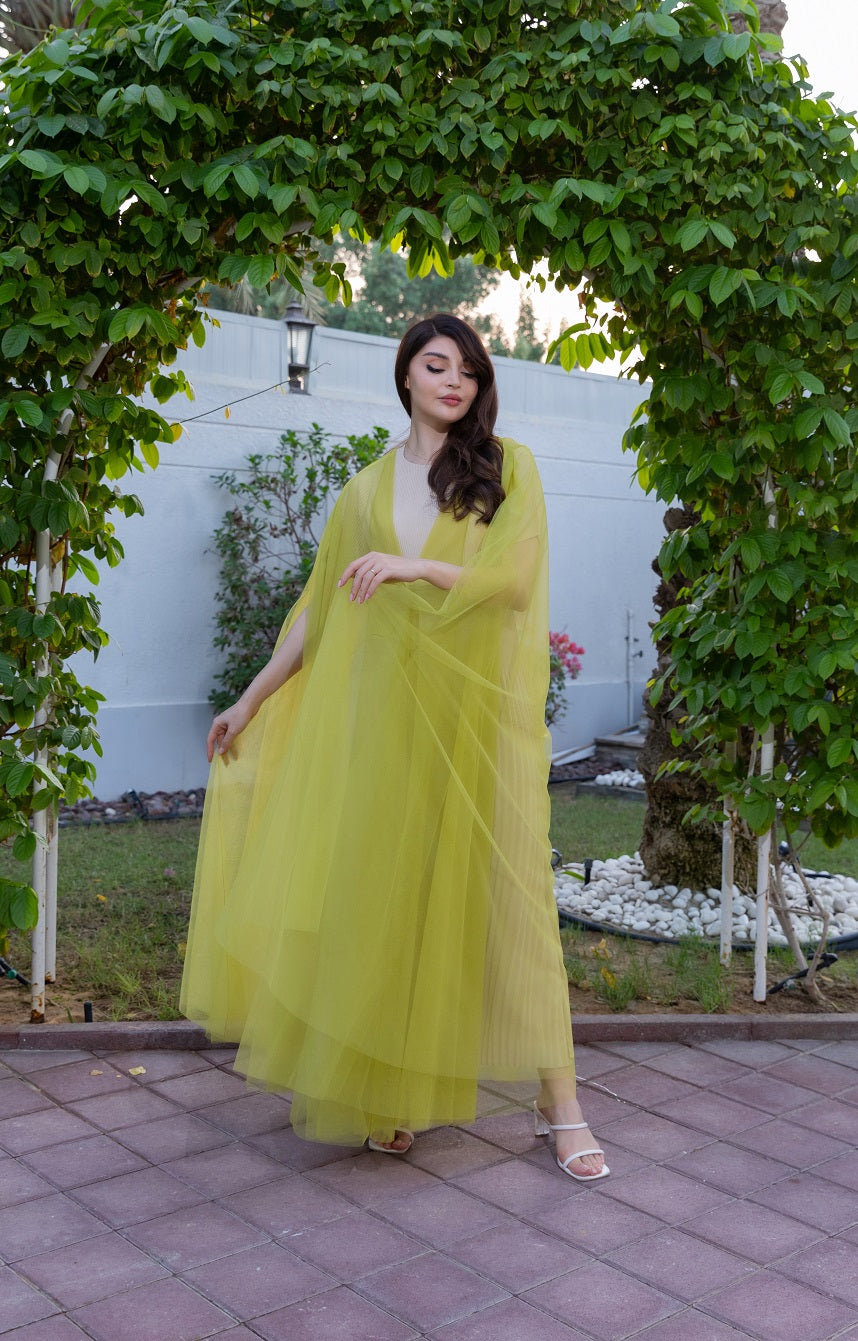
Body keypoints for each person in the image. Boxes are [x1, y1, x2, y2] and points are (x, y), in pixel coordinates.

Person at [180, 313, 607, 1181]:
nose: (455, 381)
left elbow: (514, 584)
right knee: (390, 907)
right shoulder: (365, 491)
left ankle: (560, 1103)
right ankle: (392, 1093)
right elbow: (320, 608)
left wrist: (416, 567)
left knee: (515, 910)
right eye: (437, 365)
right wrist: (251, 698)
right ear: (406, 374)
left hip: (479, 724)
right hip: (385, 726)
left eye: (469, 371)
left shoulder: (506, 468)